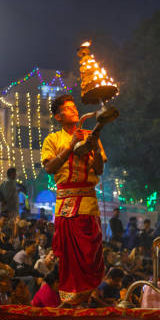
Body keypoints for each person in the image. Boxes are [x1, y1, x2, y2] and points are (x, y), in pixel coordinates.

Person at [41, 94, 106, 305]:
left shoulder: (90, 134)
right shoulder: (53, 139)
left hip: (87, 203)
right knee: (69, 259)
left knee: (89, 256)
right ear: (58, 117)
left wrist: (94, 147)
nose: (74, 110)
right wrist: (72, 145)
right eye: (68, 109)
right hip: (65, 205)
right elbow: (50, 168)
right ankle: (70, 302)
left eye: (74, 107)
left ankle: (87, 300)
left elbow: (99, 169)